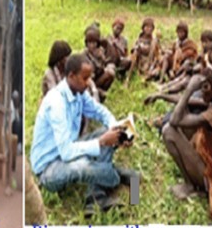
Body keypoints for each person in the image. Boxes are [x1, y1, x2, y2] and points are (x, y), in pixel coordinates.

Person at [30, 54, 136, 217]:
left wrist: (117, 129)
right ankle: (116, 175)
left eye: (89, 78)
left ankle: (94, 199)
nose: (88, 83)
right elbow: (66, 152)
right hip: (49, 169)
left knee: (106, 133)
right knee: (83, 165)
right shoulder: (56, 102)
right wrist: (100, 142)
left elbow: (99, 110)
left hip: (69, 149)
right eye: (84, 78)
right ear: (71, 76)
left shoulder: (79, 92)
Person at [161, 58, 212, 224]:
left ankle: (191, 185)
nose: (202, 91)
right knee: (187, 128)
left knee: (168, 131)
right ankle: (192, 183)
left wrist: (190, 88)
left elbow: (176, 121)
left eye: (205, 87)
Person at [83, 25, 115, 101]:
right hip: (88, 81)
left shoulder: (100, 51)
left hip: (97, 78)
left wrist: (101, 58)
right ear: (86, 44)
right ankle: (96, 92)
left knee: (111, 72)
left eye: (94, 43)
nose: (92, 45)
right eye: (90, 43)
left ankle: (101, 90)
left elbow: (103, 67)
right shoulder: (84, 54)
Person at [125, 18, 160, 83]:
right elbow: (132, 52)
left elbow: (157, 57)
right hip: (139, 64)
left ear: (153, 29)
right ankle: (128, 78)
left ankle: (146, 78)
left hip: (150, 64)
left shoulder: (154, 41)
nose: (148, 29)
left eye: (150, 27)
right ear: (143, 28)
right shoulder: (138, 40)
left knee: (156, 72)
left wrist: (152, 66)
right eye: (146, 27)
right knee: (136, 52)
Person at [11, 90, 22, 154]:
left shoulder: (17, 107)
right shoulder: (11, 106)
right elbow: (12, 121)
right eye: (16, 98)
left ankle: (19, 144)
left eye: (17, 98)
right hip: (12, 127)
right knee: (19, 123)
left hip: (15, 127)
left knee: (20, 123)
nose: (17, 100)